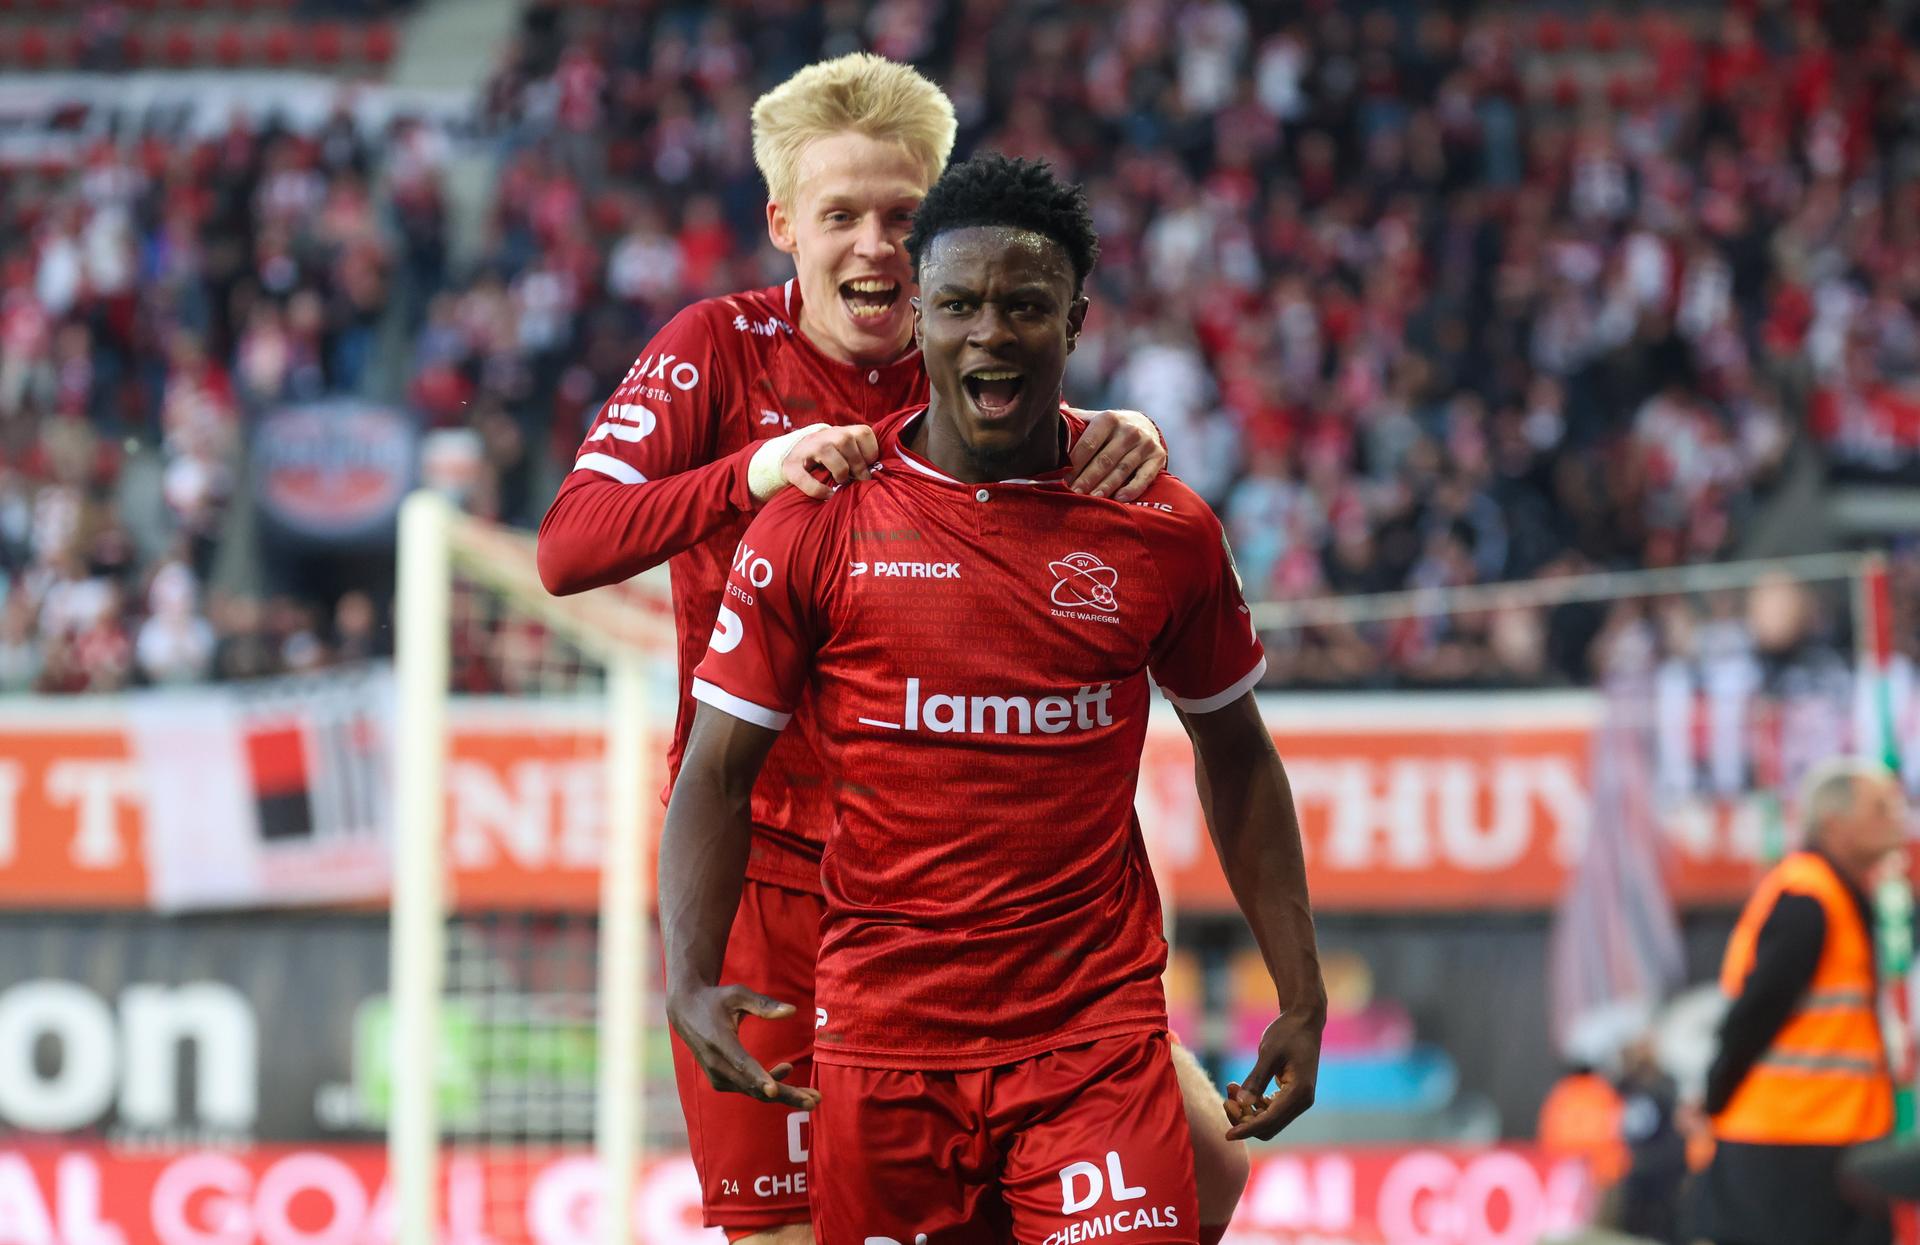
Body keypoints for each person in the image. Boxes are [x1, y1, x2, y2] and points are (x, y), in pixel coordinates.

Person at [535, 54, 1242, 1245]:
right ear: (783, 228)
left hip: (942, 877)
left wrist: (1129, 430)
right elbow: (567, 547)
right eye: (840, 217)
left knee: (1206, 1161)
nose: (874, 246)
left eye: (904, 220)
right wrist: (749, 471)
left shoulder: (967, 340)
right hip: (764, 866)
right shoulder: (717, 347)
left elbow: (1059, 449)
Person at [661, 153, 1325, 1245]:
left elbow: (1240, 754)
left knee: (1201, 1181)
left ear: (1075, 322)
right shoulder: (818, 521)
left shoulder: (1162, 528)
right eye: (962, 304)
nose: (992, 334)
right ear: (916, 315)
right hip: (883, 1046)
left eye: (1026, 307)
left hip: (1090, 1042)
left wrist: (1297, 988)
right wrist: (687, 978)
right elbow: (717, 768)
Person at [1685, 759, 1909, 1245]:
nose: (1898, 816)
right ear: (1835, 824)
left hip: (1828, 1136)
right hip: (1785, 1144)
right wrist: (1714, 1098)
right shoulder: (1808, 899)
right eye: (1879, 808)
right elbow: (1754, 1013)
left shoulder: (1841, 894)